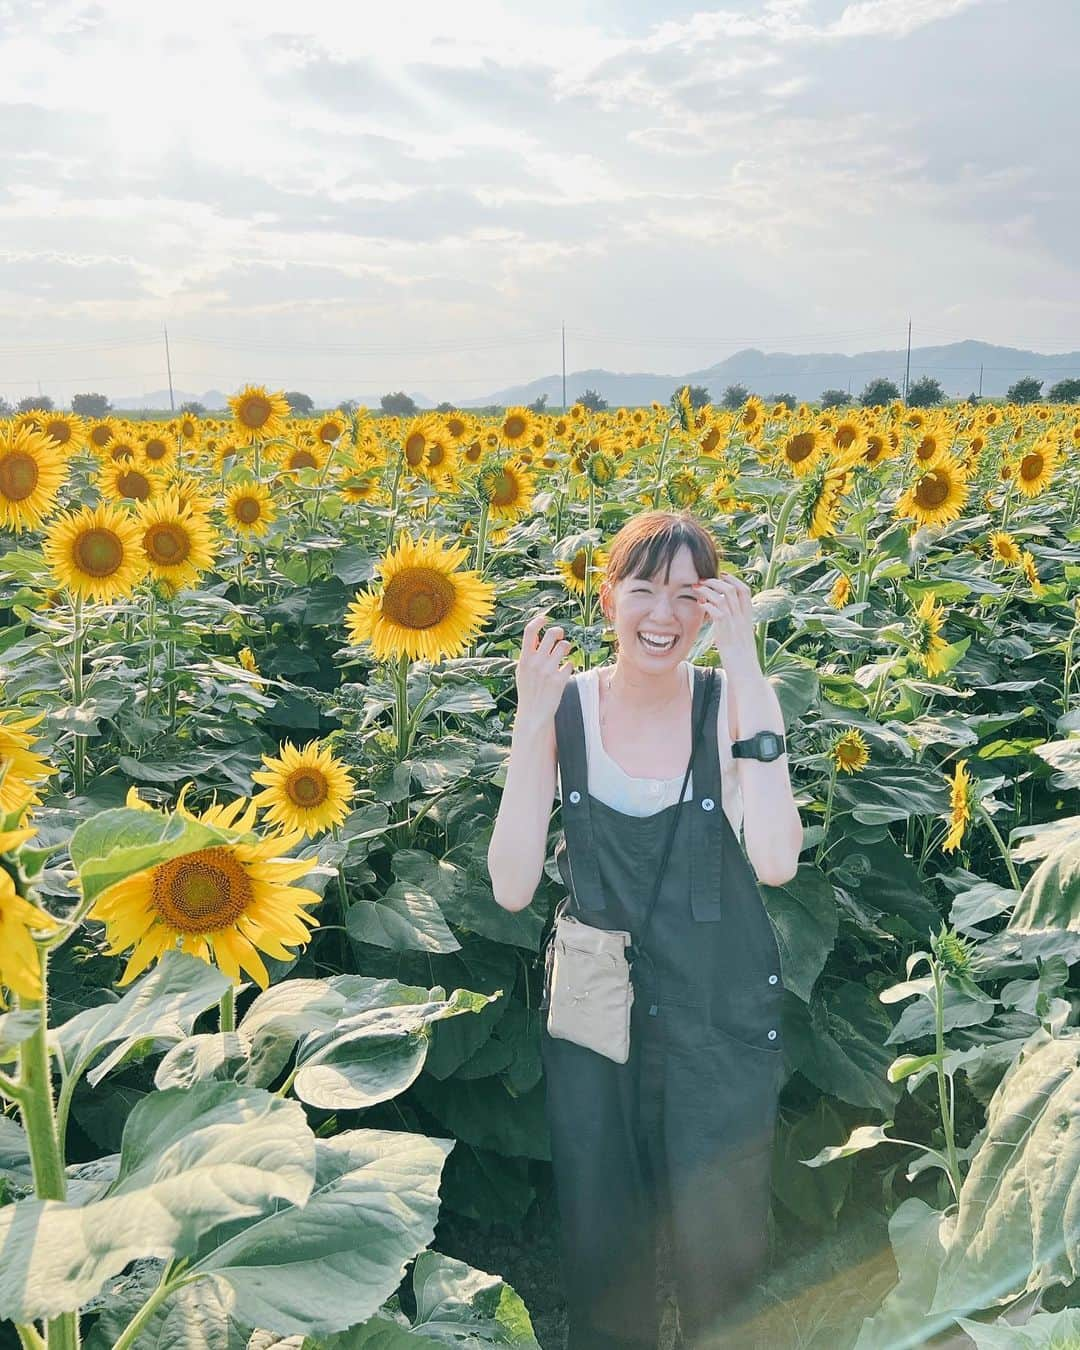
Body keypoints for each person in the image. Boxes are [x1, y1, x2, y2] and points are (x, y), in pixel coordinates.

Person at [487, 509, 802, 1349]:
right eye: (643, 590)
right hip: (599, 1018)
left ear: (712, 609)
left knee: (723, 1242)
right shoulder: (566, 710)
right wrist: (529, 723)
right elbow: (513, 886)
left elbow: (775, 860)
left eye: (687, 595)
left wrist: (746, 668)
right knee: (603, 1240)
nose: (662, 615)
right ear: (607, 599)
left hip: (715, 1013)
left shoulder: (730, 705)